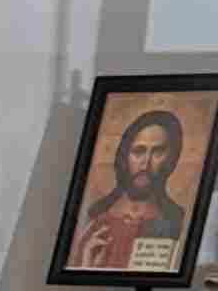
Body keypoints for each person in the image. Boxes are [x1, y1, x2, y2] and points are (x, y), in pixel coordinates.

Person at [68, 106, 189, 272]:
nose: (145, 164)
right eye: (138, 151)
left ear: (171, 159)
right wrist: (87, 266)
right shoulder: (94, 218)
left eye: (157, 152)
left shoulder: (175, 221)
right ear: (124, 156)